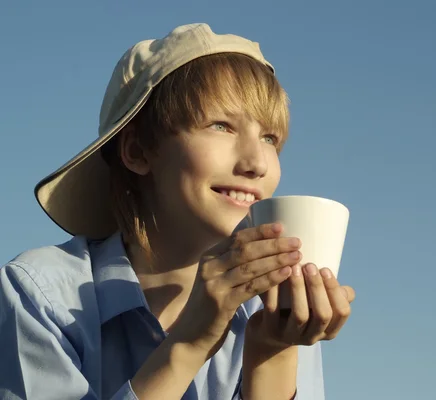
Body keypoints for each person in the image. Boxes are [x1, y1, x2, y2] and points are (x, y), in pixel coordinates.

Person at [0, 23, 355, 400]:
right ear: (138, 152)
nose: (257, 163)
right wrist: (187, 345)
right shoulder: (39, 294)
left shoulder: (274, 308)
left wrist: (272, 352)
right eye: (221, 125)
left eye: (270, 138)